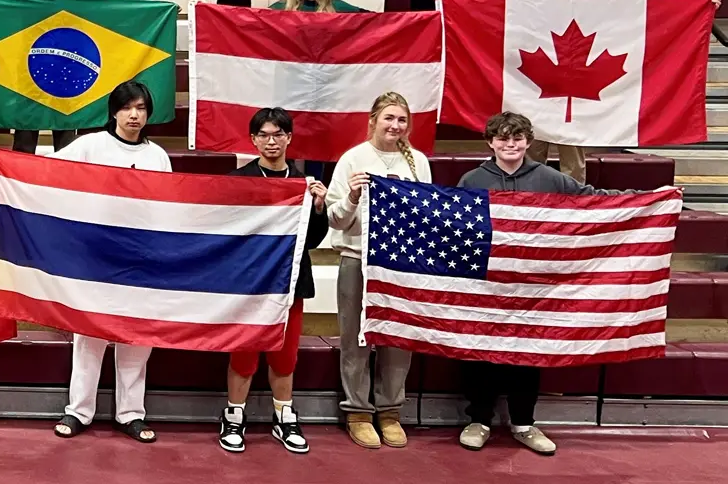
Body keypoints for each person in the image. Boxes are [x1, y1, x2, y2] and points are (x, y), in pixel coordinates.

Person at [430, 0, 721, 181]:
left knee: (574, 161)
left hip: (579, 99)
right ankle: (528, 203)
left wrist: (703, 5)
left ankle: (572, 206)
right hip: (533, 95)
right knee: (531, 154)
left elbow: (636, 16)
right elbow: (485, 11)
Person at [454, 111, 624, 456]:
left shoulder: (550, 178)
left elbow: (593, 199)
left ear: (529, 142)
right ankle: (479, 419)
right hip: (487, 286)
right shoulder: (471, 180)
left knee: (527, 355)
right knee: (481, 354)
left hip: (534, 288)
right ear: (490, 143)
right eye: (502, 138)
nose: (510, 144)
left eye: (517, 138)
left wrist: (647, 198)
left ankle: (523, 423)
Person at [50, 81, 169, 443]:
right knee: (89, 334)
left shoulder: (158, 156)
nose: (134, 115)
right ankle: (78, 411)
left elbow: (168, 207)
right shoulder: (90, 145)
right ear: (114, 111)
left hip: (140, 257)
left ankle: (131, 413)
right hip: (95, 255)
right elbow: (44, 170)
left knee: (136, 336)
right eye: (128, 107)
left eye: (141, 108)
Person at [220, 108, 329, 454]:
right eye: (264, 135)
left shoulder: (303, 184)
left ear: (289, 139)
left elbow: (311, 240)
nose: (272, 141)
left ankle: (284, 416)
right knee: (244, 353)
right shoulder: (238, 182)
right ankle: (233, 416)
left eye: (278, 134)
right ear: (253, 140)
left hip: (291, 282)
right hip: (250, 284)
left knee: (285, 355)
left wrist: (319, 208)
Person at [326, 92, 429, 450]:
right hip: (357, 259)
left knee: (398, 340)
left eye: (401, 120)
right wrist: (353, 197)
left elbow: (425, 215)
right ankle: (357, 410)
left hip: (401, 264)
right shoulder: (353, 159)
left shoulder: (418, 161)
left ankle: (390, 410)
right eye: (389, 118)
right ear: (373, 120)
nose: (395, 126)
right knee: (355, 338)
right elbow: (333, 218)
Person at [3, 0, 97, 155]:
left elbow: (108, 9)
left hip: (68, 64)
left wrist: (161, 10)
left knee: (65, 136)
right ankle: (20, 180)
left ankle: (65, 182)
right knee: (26, 131)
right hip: (32, 64)